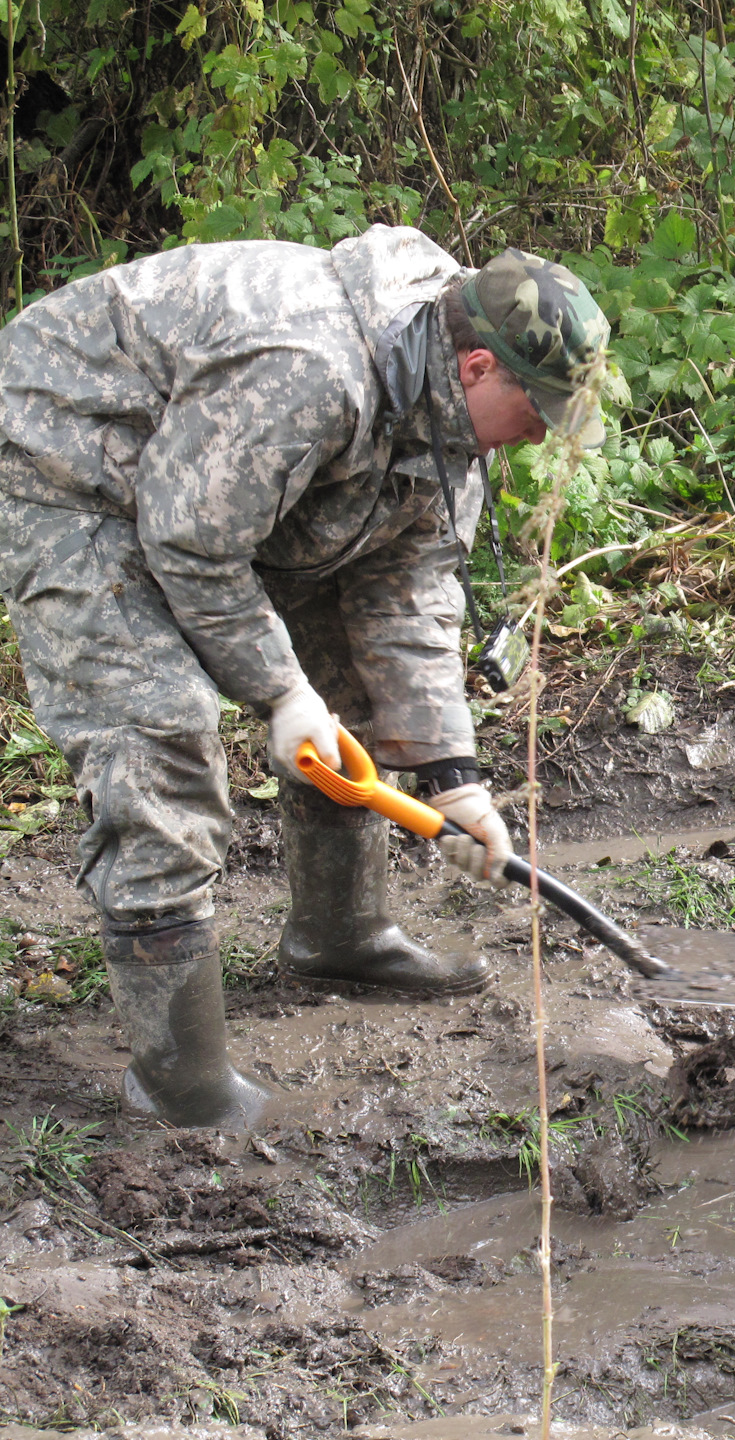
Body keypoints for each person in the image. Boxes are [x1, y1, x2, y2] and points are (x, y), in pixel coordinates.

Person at [0, 225, 612, 1129]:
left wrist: (454, 777)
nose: (536, 439)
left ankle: (341, 934)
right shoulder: (310, 369)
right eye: (538, 412)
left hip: (211, 484)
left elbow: (412, 590)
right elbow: (191, 543)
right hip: (66, 462)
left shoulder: (448, 421)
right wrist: (282, 695)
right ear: (480, 366)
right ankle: (182, 1084)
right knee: (163, 729)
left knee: (350, 697)